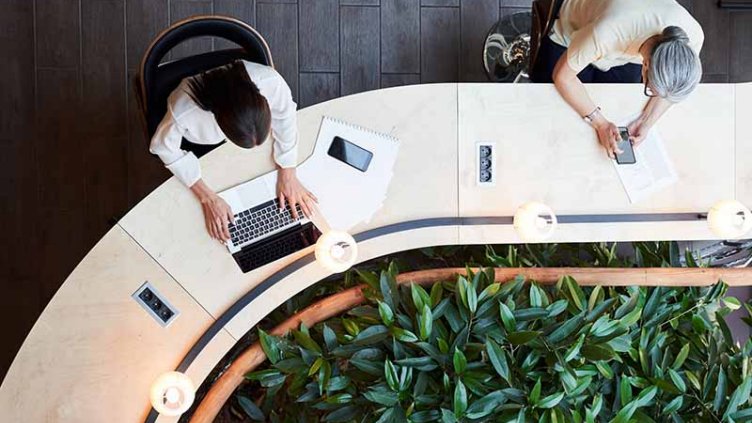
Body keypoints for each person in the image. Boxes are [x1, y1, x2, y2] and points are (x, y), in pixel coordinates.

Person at [150, 60, 316, 242]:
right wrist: (208, 198)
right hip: (200, 146)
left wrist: (288, 173)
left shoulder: (270, 81)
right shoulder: (184, 112)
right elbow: (162, 147)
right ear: (219, 123)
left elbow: (285, 116)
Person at [530, 0, 704, 158]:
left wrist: (646, 121)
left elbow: (670, 90)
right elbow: (563, 77)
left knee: (615, 104)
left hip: (624, 54)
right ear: (647, 65)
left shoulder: (693, 38)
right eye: (651, 90)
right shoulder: (609, 31)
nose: (653, 94)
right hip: (573, 33)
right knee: (551, 108)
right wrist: (601, 124)